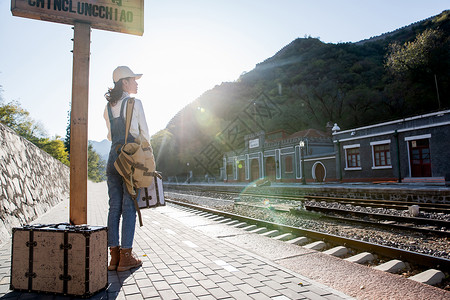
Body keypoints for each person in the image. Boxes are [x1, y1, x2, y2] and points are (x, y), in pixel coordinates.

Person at [103, 66, 149, 272]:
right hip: (129, 158)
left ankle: (114, 257)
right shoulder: (134, 103)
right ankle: (127, 256)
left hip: (113, 157)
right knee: (129, 206)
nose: (136, 83)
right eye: (133, 79)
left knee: (114, 207)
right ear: (124, 82)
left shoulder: (107, 107)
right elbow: (144, 135)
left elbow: (111, 136)